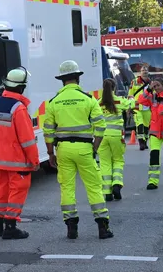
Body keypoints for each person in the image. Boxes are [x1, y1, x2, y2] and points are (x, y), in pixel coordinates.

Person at [43, 60, 113, 240]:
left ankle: (71, 228)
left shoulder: (53, 102)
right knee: (94, 187)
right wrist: (94, 147)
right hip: (85, 148)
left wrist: (50, 153)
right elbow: (100, 126)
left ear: (62, 80)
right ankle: (102, 227)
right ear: (77, 78)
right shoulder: (88, 99)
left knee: (67, 187)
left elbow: (48, 131)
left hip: (63, 149)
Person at [0, 68, 40, 239]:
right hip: (16, 160)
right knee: (17, 191)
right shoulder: (19, 108)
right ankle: (10, 226)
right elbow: (27, 139)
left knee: (2, 191)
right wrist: (34, 160)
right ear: (22, 87)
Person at [96, 78, 129, 202]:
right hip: (116, 136)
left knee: (104, 163)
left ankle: (107, 192)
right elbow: (134, 105)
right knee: (118, 161)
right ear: (114, 88)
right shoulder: (119, 100)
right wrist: (130, 99)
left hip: (102, 137)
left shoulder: (98, 103)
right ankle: (117, 184)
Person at [129, 67, 152, 150]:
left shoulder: (151, 83)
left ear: (148, 72)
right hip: (137, 107)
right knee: (140, 125)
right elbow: (130, 95)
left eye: (146, 70)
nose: (144, 72)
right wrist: (130, 106)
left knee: (146, 126)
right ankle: (141, 143)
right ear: (140, 72)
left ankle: (145, 141)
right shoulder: (134, 82)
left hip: (147, 108)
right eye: (143, 70)